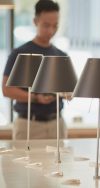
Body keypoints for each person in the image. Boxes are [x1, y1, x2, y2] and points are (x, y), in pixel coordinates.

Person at [2, 0, 67, 139]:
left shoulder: (61, 56)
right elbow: (7, 89)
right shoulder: (19, 53)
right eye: (46, 25)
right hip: (28, 124)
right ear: (35, 21)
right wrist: (35, 98)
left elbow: (70, 91)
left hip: (57, 124)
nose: (51, 31)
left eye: (55, 26)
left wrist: (66, 93)